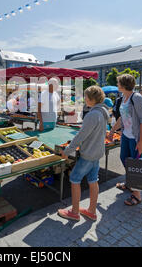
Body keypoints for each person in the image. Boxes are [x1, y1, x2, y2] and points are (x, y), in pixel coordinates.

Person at [58, 86, 109, 221]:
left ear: (92, 99)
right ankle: (91, 211)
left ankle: (74, 212)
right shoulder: (103, 111)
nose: (84, 99)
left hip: (89, 154)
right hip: (97, 152)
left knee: (75, 179)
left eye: (86, 96)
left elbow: (80, 136)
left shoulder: (93, 114)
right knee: (93, 180)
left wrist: (67, 151)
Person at [108, 74, 142, 206]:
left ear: (123, 84)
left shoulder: (136, 98)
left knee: (137, 164)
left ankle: (137, 195)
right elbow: (122, 117)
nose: (117, 84)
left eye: (118, 82)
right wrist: (112, 130)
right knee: (124, 159)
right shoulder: (124, 98)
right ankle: (130, 183)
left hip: (136, 137)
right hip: (126, 135)